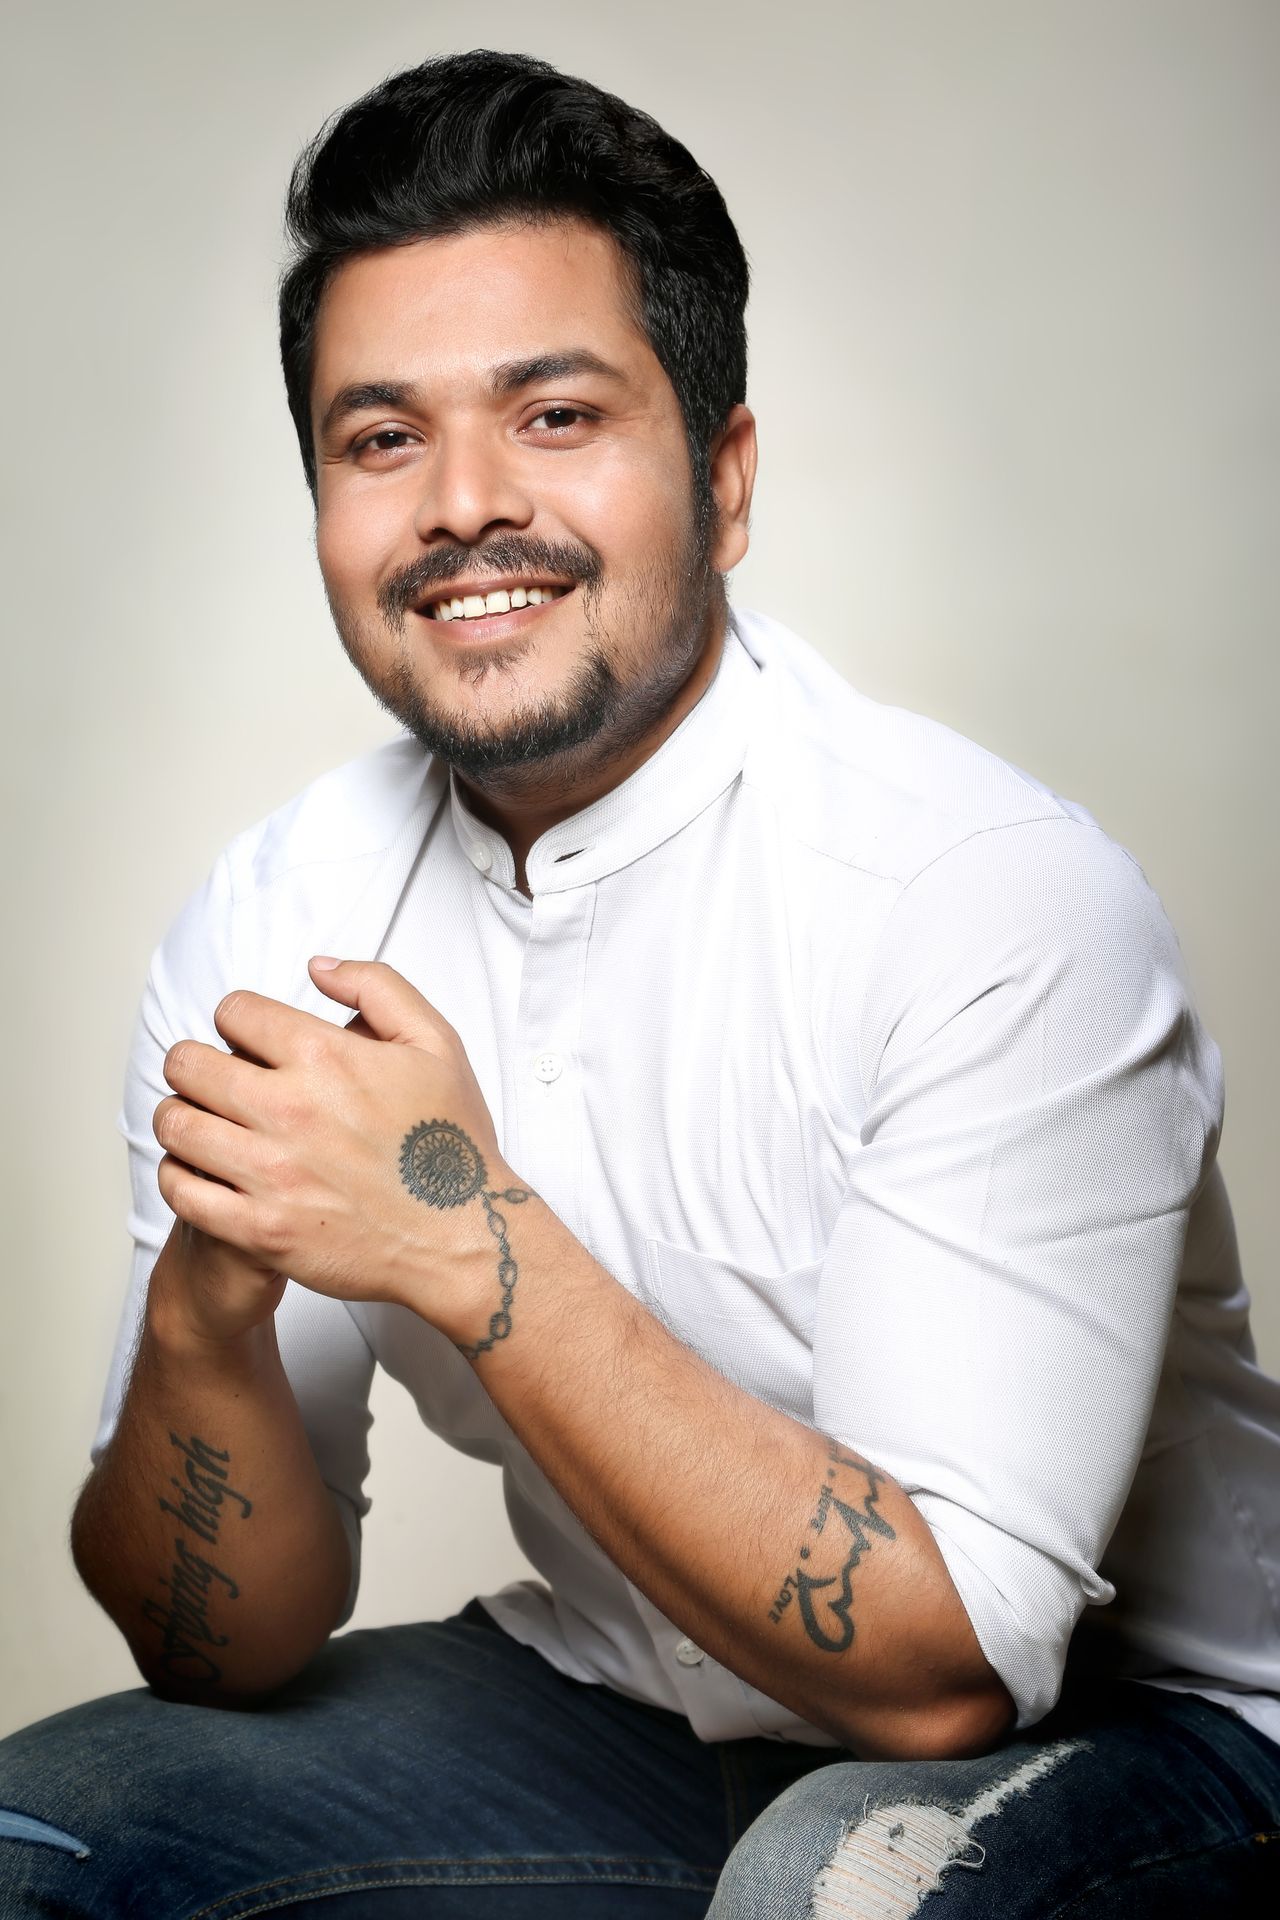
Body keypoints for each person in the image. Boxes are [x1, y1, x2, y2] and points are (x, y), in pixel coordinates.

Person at [1, 47, 1277, 1919]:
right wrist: (210, 1304)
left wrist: (453, 1226)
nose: (460, 506)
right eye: (380, 440)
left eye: (557, 415)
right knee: (48, 1838)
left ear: (726, 474)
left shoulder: (984, 897)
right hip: (632, 1716)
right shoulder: (274, 917)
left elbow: (945, 1674)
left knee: (839, 1884)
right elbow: (222, 1652)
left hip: (1144, 1734)